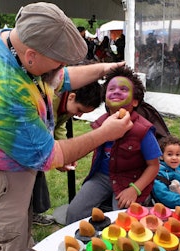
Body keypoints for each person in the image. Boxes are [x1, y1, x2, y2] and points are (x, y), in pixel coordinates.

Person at [0, 2, 131, 251]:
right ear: (32, 55)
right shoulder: (1, 90)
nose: (62, 66)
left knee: (18, 237)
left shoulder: (15, 42)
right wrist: (105, 133)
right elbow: (48, 156)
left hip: (10, 173)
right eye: (59, 60)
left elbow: (60, 77)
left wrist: (105, 69)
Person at [66, 66, 162, 225]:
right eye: (111, 88)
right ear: (105, 97)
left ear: (135, 101)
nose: (116, 91)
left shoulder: (142, 130)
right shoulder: (101, 124)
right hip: (102, 177)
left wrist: (134, 189)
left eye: (124, 89)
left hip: (131, 180)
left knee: (123, 221)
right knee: (74, 212)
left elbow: (153, 166)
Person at [32, 81, 104, 225]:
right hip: (28, 146)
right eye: (79, 110)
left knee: (36, 181)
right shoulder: (48, 100)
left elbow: (59, 127)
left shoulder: (66, 104)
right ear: (71, 97)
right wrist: (58, 157)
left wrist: (65, 155)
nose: (79, 114)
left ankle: (33, 213)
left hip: (40, 147)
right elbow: (42, 135)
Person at [151, 135, 180, 208]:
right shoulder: (158, 174)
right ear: (161, 156)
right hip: (172, 207)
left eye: (177, 154)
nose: (174, 158)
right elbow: (163, 194)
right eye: (170, 154)